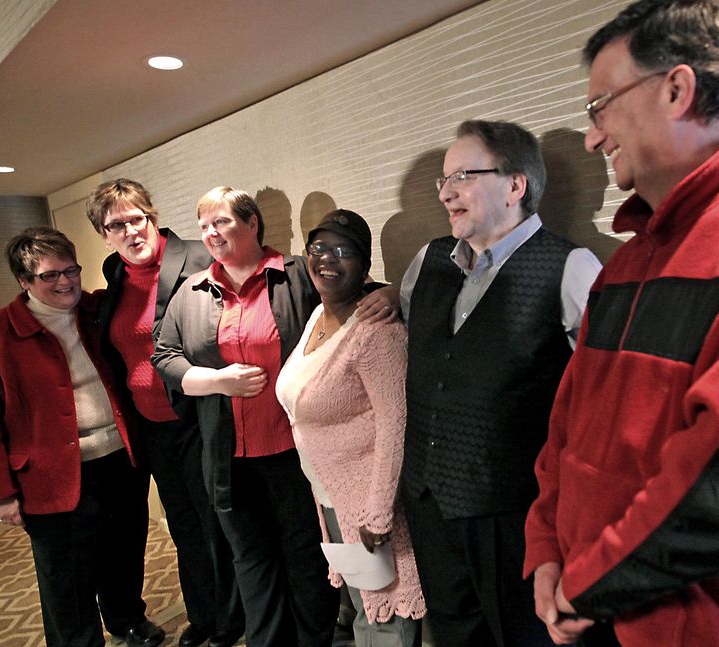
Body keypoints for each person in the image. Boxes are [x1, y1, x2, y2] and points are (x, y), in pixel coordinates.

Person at [523, 2, 719, 646]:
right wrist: (546, 548)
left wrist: (586, 583)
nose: (592, 137)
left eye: (599, 107)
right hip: (594, 607)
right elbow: (566, 433)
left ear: (676, 89)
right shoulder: (626, 264)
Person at [152, 188, 397, 647]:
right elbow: (164, 355)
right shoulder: (192, 290)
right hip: (227, 458)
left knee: (305, 558)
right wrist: (211, 381)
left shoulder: (295, 275)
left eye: (221, 221)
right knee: (250, 559)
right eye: (203, 225)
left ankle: (315, 640)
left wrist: (397, 294)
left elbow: (356, 290)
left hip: (292, 455)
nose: (210, 233)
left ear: (252, 224)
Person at [396, 119, 601, 647]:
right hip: (428, 499)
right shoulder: (427, 261)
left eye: (462, 175)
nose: (445, 192)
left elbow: (603, 398)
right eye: (443, 179)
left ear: (516, 185)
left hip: (515, 512)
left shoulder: (570, 267)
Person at [0, 227, 164, 647]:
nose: (66, 281)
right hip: (48, 477)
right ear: (24, 281)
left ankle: (126, 619)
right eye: (50, 275)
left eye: (71, 270)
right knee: (65, 575)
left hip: (119, 459)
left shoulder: (99, 310)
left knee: (124, 550)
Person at [85, 179, 246, 647]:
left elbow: (262, 274)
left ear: (151, 217)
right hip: (151, 426)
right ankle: (204, 616)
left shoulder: (199, 255)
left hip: (200, 416)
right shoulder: (114, 270)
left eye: (137, 219)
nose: (131, 231)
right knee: (183, 526)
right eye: (117, 225)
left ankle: (231, 620)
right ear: (104, 233)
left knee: (216, 524)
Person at [276, 209, 426, 647]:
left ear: (364, 267)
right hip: (332, 499)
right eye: (319, 248)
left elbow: (396, 421)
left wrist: (377, 512)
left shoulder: (377, 330)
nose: (328, 260)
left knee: (385, 620)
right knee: (365, 610)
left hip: (369, 505)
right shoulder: (315, 319)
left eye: (344, 252)